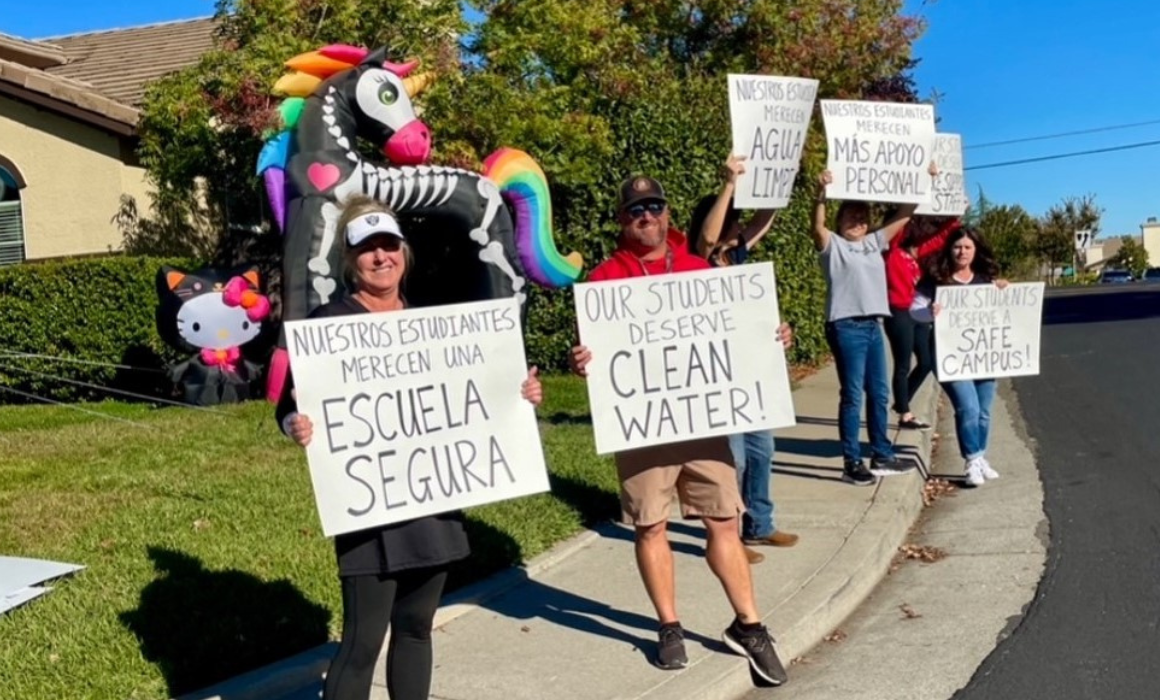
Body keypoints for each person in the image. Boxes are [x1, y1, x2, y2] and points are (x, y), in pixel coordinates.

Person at [276, 194, 544, 700]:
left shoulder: (433, 328)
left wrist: (520, 393)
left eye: (389, 245)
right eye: (367, 248)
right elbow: (287, 407)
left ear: (404, 251)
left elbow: (480, 395)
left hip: (432, 502)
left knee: (417, 626)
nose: (381, 257)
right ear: (350, 259)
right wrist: (295, 423)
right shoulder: (327, 326)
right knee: (362, 641)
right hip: (369, 510)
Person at [569, 175, 788, 686]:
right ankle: (669, 626)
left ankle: (749, 625)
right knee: (651, 525)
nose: (646, 216)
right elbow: (594, 356)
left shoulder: (700, 271)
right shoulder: (603, 281)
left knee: (724, 520)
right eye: (635, 210)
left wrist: (771, 335)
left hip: (703, 423)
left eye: (654, 207)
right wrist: (582, 362)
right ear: (622, 220)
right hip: (643, 427)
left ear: (667, 214)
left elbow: (740, 335)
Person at [688, 154, 798, 556]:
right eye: (734, 219)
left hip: (752, 371)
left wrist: (779, 177)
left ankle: (760, 524)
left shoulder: (737, 257)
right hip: (719, 373)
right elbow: (707, 238)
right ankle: (728, 537)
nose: (739, 226)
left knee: (761, 450)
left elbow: (764, 220)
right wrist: (730, 184)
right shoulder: (697, 262)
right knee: (732, 457)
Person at [811, 168, 932, 486]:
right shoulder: (833, 245)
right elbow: (817, 226)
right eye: (851, 216)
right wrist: (821, 194)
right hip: (845, 326)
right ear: (839, 220)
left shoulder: (875, 242)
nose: (857, 222)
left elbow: (905, 214)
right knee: (853, 395)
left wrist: (924, 178)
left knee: (878, 393)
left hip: (872, 325)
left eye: (862, 217)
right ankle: (851, 461)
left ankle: (881, 454)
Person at [909, 226, 1007, 487]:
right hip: (949, 356)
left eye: (967, 247)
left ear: (976, 250)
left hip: (983, 356)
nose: (962, 252)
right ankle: (971, 460)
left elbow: (1002, 312)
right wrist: (930, 311)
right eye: (957, 247)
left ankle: (980, 456)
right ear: (949, 249)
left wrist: (1003, 290)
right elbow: (914, 310)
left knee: (983, 411)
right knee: (968, 407)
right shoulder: (936, 280)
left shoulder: (985, 280)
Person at [882, 216, 962, 430]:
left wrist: (955, 218)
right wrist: (906, 212)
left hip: (917, 313)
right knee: (903, 364)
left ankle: (901, 401)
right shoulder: (892, 252)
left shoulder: (916, 254)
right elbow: (895, 232)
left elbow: (940, 238)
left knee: (926, 362)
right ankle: (905, 414)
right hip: (898, 313)